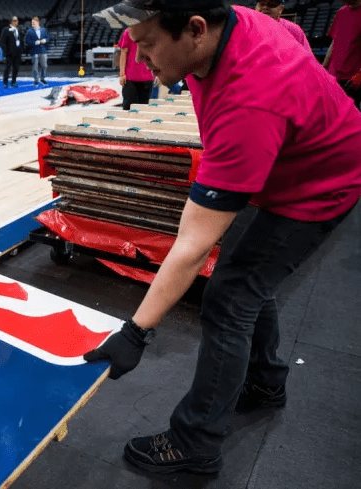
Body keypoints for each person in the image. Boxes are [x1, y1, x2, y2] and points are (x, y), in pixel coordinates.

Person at [89, 0, 361, 475]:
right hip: (292, 165)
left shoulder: (248, 100)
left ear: (195, 30)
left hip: (322, 184)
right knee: (249, 277)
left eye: (148, 44)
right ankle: (266, 381)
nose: (140, 56)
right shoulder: (226, 25)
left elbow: (192, 246)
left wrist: (136, 332)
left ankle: (196, 442)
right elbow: (293, 41)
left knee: (229, 298)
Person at [323, 0, 361, 108]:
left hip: (352, 81)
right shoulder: (341, 12)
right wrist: (324, 67)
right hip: (333, 78)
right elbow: (334, 42)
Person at [117, 27, 154, 109]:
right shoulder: (128, 32)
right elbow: (123, 53)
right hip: (130, 78)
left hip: (147, 77)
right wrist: (122, 74)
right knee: (128, 108)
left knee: (143, 109)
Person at [25, 16, 50, 86]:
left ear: (37, 22)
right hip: (34, 51)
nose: (32, 23)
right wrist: (35, 42)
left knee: (44, 65)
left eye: (34, 22)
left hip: (42, 50)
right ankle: (36, 80)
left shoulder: (43, 30)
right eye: (32, 22)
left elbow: (48, 38)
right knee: (35, 66)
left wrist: (45, 40)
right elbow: (27, 41)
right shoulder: (29, 31)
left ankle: (43, 78)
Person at [0, 16, 22, 88]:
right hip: (9, 52)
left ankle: (13, 81)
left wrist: (21, 50)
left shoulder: (19, 29)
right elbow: (2, 42)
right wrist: (5, 51)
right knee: (7, 68)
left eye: (17, 21)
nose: (16, 22)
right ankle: (5, 82)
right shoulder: (6, 29)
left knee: (16, 68)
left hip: (17, 52)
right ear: (11, 21)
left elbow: (21, 40)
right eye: (14, 21)